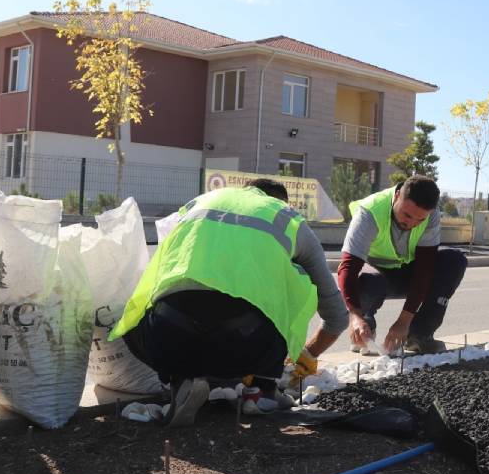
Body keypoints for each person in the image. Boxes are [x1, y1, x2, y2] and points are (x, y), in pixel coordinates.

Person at [108, 178, 349, 427]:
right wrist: (307, 355)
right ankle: (262, 389)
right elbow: (337, 317)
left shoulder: (196, 206)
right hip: (245, 347)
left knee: (137, 318)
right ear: (280, 203)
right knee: (294, 276)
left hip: (168, 338)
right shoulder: (288, 220)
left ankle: (182, 379)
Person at [337, 175, 467, 355]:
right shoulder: (370, 212)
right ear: (397, 196)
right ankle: (365, 328)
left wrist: (403, 322)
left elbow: (424, 270)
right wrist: (355, 316)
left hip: (407, 274)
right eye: (407, 215)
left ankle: (419, 335)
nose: (411, 224)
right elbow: (348, 269)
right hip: (376, 275)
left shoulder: (431, 216)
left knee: (454, 261)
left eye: (419, 220)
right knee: (368, 281)